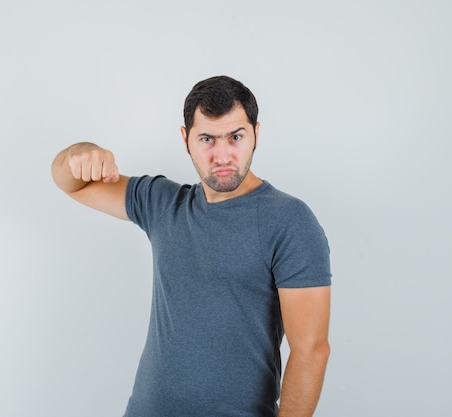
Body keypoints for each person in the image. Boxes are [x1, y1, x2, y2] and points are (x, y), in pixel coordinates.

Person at [51, 75, 332, 417]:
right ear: (186, 140)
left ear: (256, 133)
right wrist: (77, 154)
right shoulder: (162, 203)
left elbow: (310, 350)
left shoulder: (289, 220)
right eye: (207, 139)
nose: (223, 155)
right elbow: (73, 185)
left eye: (236, 137)